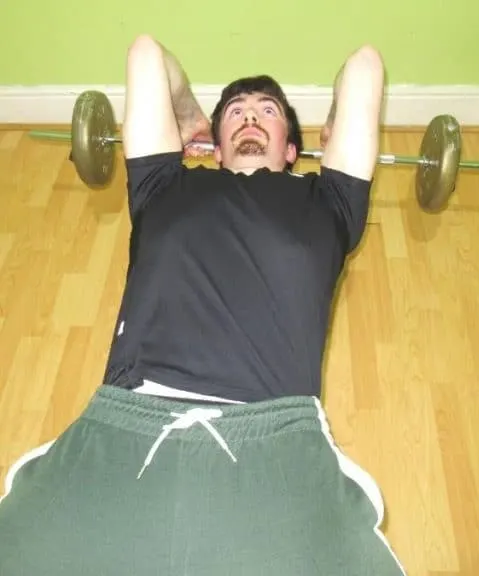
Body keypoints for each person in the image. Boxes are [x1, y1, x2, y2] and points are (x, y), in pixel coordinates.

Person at [0, 35, 406, 575]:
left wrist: (335, 132)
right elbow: (145, 53)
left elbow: (364, 65)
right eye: (235, 112)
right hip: (126, 424)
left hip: (276, 442)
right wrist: (188, 114)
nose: (250, 117)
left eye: (268, 111)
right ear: (213, 143)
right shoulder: (162, 187)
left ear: (293, 149)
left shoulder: (329, 203)